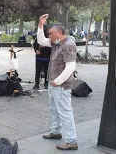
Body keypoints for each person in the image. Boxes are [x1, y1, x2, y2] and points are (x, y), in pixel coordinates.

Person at [37, 14, 78, 150]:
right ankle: (56, 132)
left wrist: (58, 81)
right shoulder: (56, 42)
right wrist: (40, 25)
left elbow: (71, 67)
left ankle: (72, 141)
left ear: (59, 33)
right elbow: (41, 40)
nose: (49, 36)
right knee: (54, 110)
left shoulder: (69, 45)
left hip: (61, 85)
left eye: (51, 33)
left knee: (65, 112)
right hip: (54, 83)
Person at [33, 25, 51, 90]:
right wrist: (36, 50)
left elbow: (52, 47)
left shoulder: (49, 38)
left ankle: (46, 83)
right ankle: (36, 83)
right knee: (37, 71)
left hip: (47, 57)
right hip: (39, 57)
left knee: (47, 71)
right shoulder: (38, 38)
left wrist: (46, 47)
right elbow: (35, 45)